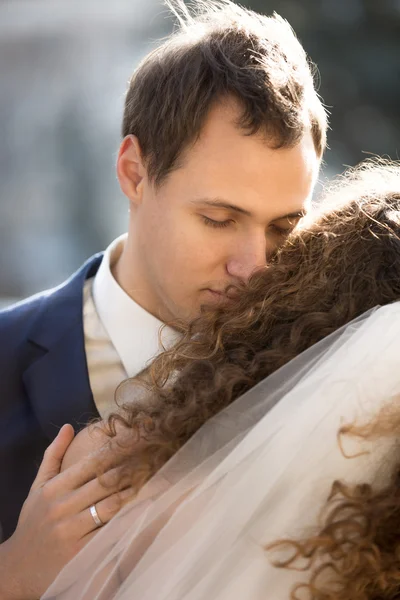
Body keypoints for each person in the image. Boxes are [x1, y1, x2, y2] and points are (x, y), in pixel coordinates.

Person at [0, 0, 327, 596]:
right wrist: (13, 574)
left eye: (281, 227)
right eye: (219, 218)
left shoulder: (325, 377)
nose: (253, 267)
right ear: (133, 173)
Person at [41, 159, 400, 599]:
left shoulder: (112, 469)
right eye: (218, 220)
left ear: (302, 296)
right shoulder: (377, 550)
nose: (254, 267)